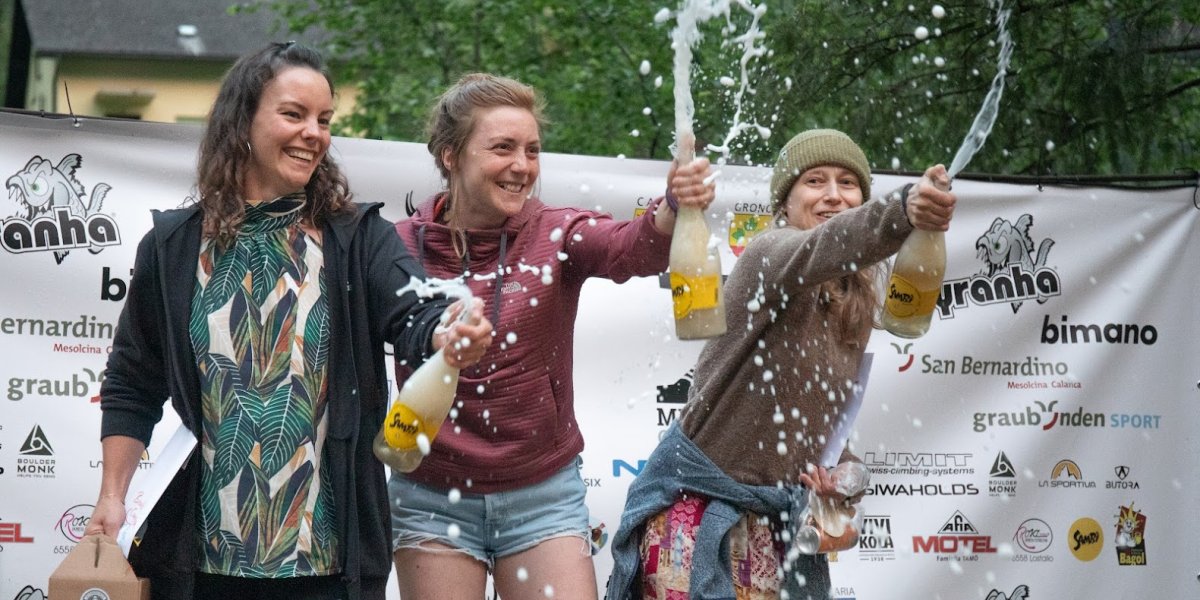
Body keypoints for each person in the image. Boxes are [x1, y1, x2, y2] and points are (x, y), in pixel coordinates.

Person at [82, 42, 493, 600]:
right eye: (294, 114)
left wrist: (448, 329)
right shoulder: (172, 246)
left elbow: (416, 311)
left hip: (330, 567)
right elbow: (133, 380)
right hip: (197, 566)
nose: (313, 133)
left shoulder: (359, 240)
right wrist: (111, 496)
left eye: (324, 120)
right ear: (242, 121)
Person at [388, 73, 717, 600]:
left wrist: (672, 208)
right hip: (430, 494)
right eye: (503, 148)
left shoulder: (558, 232)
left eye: (532, 150)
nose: (522, 165)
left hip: (542, 497)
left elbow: (629, 247)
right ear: (451, 156)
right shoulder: (398, 248)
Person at [604, 129, 957, 600]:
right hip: (700, 517)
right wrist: (904, 209)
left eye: (848, 183)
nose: (833, 195)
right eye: (815, 181)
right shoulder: (769, 255)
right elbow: (828, 245)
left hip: (778, 530)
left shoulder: (851, 297)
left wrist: (844, 478)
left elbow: (822, 425)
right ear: (784, 203)